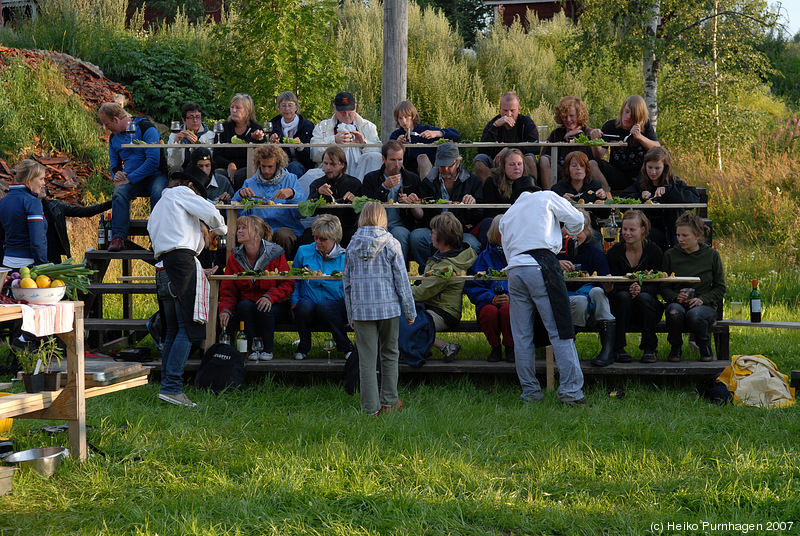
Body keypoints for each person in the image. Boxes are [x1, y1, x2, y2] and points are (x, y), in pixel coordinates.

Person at [499, 177, 588, 405]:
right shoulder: (546, 197)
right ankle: (571, 392)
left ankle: (530, 393)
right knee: (560, 330)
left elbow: (508, 252)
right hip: (542, 264)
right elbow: (578, 220)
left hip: (515, 270)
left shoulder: (508, 215)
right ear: (534, 189)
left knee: (522, 336)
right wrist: (569, 229)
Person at [148, 169, 227, 407]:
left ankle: (166, 387)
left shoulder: (160, 207)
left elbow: (180, 241)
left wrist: (202, 237)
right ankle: (172, 387)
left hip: (163, 267)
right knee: (188, 330)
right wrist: (220, 230)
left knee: (172, 330)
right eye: (198, 193)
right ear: (190, 186)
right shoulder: (181, 192)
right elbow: (211, 212)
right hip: (181, 265)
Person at [344, 202, 416, 416]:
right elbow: (402, 281)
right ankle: (390, 401)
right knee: (390, 353)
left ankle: (370, 408)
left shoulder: (351, 245)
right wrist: (410, 311)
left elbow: (346, 284)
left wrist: (351, 313)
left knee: (366, 358)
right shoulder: (391, 243)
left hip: (362, 311)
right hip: (388, 309)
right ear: (382, 218)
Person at [218, 215, 294, 361]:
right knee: (244, 305)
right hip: (249, 305)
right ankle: (253, 348)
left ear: (257, 233)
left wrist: (270, 297)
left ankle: (267, 349)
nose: (239, 231)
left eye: (244, 228)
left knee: (264, 307)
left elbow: (288, 283)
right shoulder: (235, 256)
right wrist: (225, 309)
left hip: (275, 305)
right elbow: (229, 289)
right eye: (239, 228)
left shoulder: (275, 252)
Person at [98, 102, 169, 252]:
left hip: (155, 175)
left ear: (116, 119)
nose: (106, 128)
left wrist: (130, 178)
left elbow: (153, 161)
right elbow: (114, 164)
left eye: (107, 124)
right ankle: (118, 237)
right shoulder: (113, 138)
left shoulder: (146, 128)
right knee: (119, 193)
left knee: (158, 192)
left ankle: (157, 237)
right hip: (131, 178)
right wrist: (116, 174)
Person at [411, 212, 477, 362]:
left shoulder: (446, 266)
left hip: (444, 312)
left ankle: (444, 347)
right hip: (433, 306)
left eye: (433, 232)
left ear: (443, 237)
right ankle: (426, 349)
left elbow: (422, 292)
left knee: (406, 322)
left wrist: (398, 292)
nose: (430, 235)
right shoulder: (448, 256)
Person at [661, 211, 725, 362]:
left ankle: (704, 346)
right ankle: (675, 348)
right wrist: (676, 297)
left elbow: (720, 287)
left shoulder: (711, 255)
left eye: (685, 235)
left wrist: (702, 299)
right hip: (678, 303)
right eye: (678, 235)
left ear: (697, 236)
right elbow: (663, 287)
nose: (680, 239)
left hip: (704, 305)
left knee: (695, 315)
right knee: (673, 311)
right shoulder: (670, 255)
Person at [557, 209, 616, 367]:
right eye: (571, 229)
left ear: (588, 231)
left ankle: (607, 350)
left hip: (594, 308)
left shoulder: (595, 255)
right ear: (563, 230)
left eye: (580, 230)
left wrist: (608, 287)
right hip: (566, 305)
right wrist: (554, 266)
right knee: (581, 301)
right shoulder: (556, 254)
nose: (575, 235)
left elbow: (607, 291)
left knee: (597, 291)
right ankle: (568, 350)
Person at [408, 142, 483, 268]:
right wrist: (414, 205)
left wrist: (472, 204)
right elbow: (421, 217)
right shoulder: (429, 181)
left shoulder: (472, 181)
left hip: (461, 231)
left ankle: (462, 278)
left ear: (457, 162)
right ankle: (428, 272)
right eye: (441, 166)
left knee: (473, 245)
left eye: (449, 165)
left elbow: (479, 215)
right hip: (433, 230)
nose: (445, 169)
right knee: (416, 237)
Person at [291, 215, 354, 361]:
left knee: (326, 308)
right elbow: (294, 279)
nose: (318, 242)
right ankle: (303, 347)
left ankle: (346, 346)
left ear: (334, 239)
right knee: (302, 307)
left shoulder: (345, 257)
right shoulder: (303, 251)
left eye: (323, 239)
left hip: (334, 304)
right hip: (309, 300)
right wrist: (294, 301)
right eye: (315, 237)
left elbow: (351, 287)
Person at [604, 210, 664, 365]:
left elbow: (658, 286)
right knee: (622, 297)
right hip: (622, 307)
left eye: (632, 230)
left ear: (643, 230)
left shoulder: (654, 251)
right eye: (624, 229)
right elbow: (615, 286)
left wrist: (641, 290)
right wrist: (630, 290)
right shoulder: (614, 253)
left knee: (644, 297)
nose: (627, 233)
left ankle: (649, 348)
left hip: (648, 307)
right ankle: (618, 349)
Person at [231, 144, 306, 260]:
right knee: (250, 234)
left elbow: (303, 213)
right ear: (258, 164)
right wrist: (240, 196)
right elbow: (237, 216)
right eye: (263, 166)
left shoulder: (291, 179)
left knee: (284, 235)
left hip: (285, 227)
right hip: (258, 229)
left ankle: (283, 270)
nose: (266, 171)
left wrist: (293, 194)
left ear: (278, 164)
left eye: (270, 167)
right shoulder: (249, 183)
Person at [620, 147, 700, 250]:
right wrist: (639, 197)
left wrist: (670, 191)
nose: (653, 172)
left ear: (665, 168)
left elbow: (694, 198)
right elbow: (623, 201)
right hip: (646, 232)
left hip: (670, 233)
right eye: (650, 167)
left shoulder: (674, 183)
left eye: (657, 168)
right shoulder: (640, 184)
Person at [464, 215, 514, 363]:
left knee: (507, 310)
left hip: (511, 302)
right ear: (494, 233)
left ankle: (510, 347)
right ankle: (495, 347)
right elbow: (473, 286)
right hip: (487, 301)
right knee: (489, 312)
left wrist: (510, 297)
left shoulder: (518, 257)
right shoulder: (484, 257)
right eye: (502, 231)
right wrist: (490, 298)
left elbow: (526, 285)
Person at [362, 140, 421, 264]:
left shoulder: (412, 179)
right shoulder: (370, 178)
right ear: (384, 159)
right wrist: (384, 188)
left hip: (401, 226)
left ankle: (401, 274)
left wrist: (410, 203)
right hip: (376, 225)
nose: (397, 164)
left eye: (400, 159)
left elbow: (420, 215)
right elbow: (368, 208)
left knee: (399, 234)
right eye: (393, 160)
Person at [587, 95, 661, 191]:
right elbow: (599, 155)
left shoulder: (645, 125)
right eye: (626, 111)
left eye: (633, 115)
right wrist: (595, 141)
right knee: (592, 164)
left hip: (641, 176)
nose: (628, 117)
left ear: (639, 117)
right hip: (617, 174)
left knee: (661, 164)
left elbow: (658, 149)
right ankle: (607, 197)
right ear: (622, 110)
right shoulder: (610, 126)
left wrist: (639, 137)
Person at [306, 91, 382, 182]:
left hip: (362, 172)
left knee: (375, 156)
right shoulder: (322, 126)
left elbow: (378, 154)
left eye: (350, 111)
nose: (346, 115)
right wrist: (334, 141)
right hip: (330, 173)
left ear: (355, 107)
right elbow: (314, 155)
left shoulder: (369, 127)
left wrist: (363, 144)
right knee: (310, 176)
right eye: (342, 112)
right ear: (334, 108)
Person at [473, 91, 539, 184]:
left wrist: (508, 150)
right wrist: (495, 127)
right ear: (500, 109)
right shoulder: (493, 123)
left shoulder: (526, 122)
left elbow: (535, 146)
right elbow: (482, 149)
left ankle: (531, 192)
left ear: (519, 109)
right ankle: (491, 191)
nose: (508, 114)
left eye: (512, 111)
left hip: (519, 163)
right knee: (479, 159)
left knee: (530, 158)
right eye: (505, 111)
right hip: (497, 163)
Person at [305, 146, 363, 246]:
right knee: (304, 239)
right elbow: (308, 212)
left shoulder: (355, 183)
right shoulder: (317, 184)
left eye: (332, 164)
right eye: (325, 163)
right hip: (324, 229)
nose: (328, 168)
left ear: (342, 164)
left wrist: (355, 201)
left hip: (347, 229)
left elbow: (362, 214)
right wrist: (318, 193)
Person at [388, 100, 461, 179]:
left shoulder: (426, 130)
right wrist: (397, 144)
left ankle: (425, 189)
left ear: (413, 116)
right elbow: (387, 153)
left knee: (422, 158)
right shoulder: (396, 135)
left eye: (406, 117)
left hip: (427, 169)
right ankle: (398, 188)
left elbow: (456, 135)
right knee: (396, 161)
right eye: (400, 118)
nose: (404, 121)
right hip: (405, 171)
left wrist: (438, 133)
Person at [478, 148, 535, 248]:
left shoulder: (530, 180)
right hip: (500, 222)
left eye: (519, 164)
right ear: (503, 166)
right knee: (487, 222)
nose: (516, 168)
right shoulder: (492, 181)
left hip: (524, 222)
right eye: (512, 164)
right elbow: (489, 212)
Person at [40, 187, 112, 265]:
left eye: (43, 180)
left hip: (53, 256)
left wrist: (110, 203)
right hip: (33, 255)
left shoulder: (55, 206)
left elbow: (85, 211)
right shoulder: (27, 207)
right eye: (40, 180)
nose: (43, 184)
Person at [0, 159, 48, 268]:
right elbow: (37, 242)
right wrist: (44, 265)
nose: (43, 183)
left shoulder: (3, 201)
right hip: (29, 265)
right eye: (41, 179)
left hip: (7, 263)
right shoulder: (32, 202)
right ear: (29, 179)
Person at [538, 96, 594, 189]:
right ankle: (549, 194)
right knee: (544, 159)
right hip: (561, 173)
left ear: (579, 115)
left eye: (572, 116)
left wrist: (580, 136)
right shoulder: (556, 133)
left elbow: (593, 159)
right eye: (565, 116)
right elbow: (544, 156)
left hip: (581, 174)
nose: (568, 120)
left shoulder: (588, 133)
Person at [213, 93, 266, 191]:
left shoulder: (256, 129)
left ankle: (240, 203)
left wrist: (259, 140)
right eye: (232, 107)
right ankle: (220, 203)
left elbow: (262, 156)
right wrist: (229, 164)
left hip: (248, 167)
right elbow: (216, 155)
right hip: (226, 166)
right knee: (218, 175)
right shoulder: (224, 128)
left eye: (238, 108)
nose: (233, 110)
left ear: (247, 111)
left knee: (241, 175)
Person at [267, 91, 315, 177]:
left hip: (302, 165)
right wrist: (272, 141)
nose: (287, 109)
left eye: (290, 105)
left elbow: (310, 156)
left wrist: (301, 147)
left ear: (296, 107)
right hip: (279, 163)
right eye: (284, 105)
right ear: (279, 108)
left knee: (294, 167)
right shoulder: (273, 125)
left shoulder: (307, 125)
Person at [167, 102, 215, 171]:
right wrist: (177, 145)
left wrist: (197, 145)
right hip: (182, 171)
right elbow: (173, 163)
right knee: (176, 169)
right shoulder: (174, 135)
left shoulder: (210, 135)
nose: (195, 121)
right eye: (191, 117)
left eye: (198, 117)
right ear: (184, 120)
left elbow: (209, 161)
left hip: (201, 171)